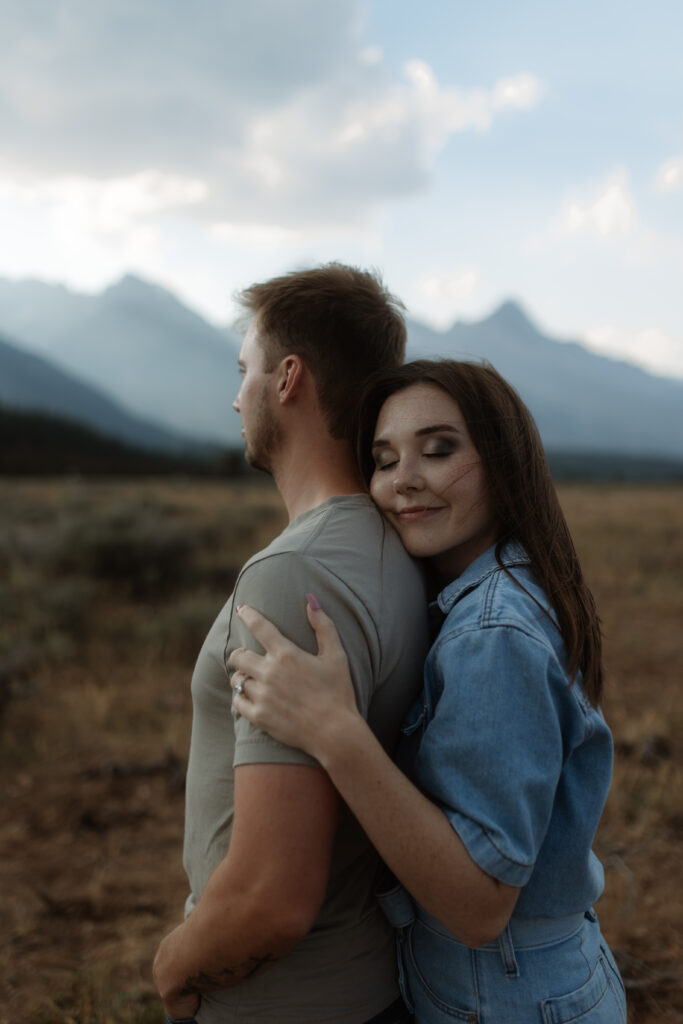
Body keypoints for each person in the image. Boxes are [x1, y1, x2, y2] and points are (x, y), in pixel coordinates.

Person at [229, 359, 628, 1023]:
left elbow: (479, 907)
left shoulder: (490, 631)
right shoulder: (492, 590)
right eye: (383, 460)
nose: (403, 480)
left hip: (502, 993)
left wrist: (334, 733)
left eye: (438, 450)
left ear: (504, 462)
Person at [152, 265, 430, 1024]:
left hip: (279, 1004)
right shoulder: (395, 544)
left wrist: (173, 965)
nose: (234, 394)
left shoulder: (290, 574)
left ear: (288, 380)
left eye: (244, 370)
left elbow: (274, 899)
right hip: (367, 986)